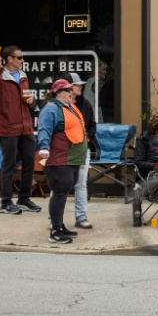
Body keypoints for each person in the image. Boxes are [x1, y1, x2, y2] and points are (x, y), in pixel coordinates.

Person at [0, 46, 40, 215]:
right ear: (9, 59)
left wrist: (31, 100)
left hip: (25, 125)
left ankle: (24, 199)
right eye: (19, 57)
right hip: (7, 126)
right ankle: (6, 202)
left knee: (30, 159)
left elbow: (28, 99)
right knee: (9, 163)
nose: (22, 60)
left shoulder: (23, 75)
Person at [37, 79, 88, 244]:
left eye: (71, 90)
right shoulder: (51, 108)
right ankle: (55, 231)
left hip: (71, 158)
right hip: (59, 159)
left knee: (64, 191)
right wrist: (44, 148)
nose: (71, 92)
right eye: (67, 90)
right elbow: (44, 129)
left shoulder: (68, 107)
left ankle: (59, 225)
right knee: (59, 192)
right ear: (58, 92)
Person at [63, 72, 96, 229]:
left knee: (81, 184)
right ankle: (54, 219)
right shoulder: (59, 105)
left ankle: (81, 218)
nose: (80, 86)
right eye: (77, 84)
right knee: (61, 184)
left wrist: (87, 138)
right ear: (68, 87)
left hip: (82, 149)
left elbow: (92, 124)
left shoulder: (86, 104)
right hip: (64, 150)